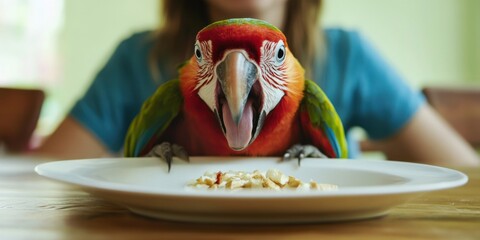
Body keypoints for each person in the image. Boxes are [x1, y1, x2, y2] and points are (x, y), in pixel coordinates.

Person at [34, 0, 479, 166]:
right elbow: (44, 179)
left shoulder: (348, 57)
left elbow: (466, 179)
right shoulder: (139, 60)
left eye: (277, 58)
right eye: (208, 58)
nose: (237, 71)